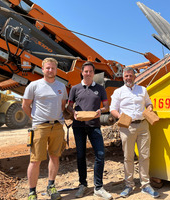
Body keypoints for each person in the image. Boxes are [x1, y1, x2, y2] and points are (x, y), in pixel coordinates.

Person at [110, 67, 160, 198]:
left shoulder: (142, 90)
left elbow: (149, 104)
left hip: (143, 126)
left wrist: (149, 109)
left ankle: (145, 184)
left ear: (135, 77)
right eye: (126, 76)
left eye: (130, 76)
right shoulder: (118, 92)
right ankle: (129, 185)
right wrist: (120, 117)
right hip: (127, 127)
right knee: (128, 157)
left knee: (145, 156)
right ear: (123, 77)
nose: (128, 78)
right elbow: (112, 109)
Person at [22, 57, 67, 200]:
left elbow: (62, 105)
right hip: (40, 127)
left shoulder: (61, 86)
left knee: (54, 157)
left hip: (57, 126)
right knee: (35, 160)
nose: (50, 70)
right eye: (47, 68)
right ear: (42, 69)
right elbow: (25, 105)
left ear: (56, 70)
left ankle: (51, 186)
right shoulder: (34, 86)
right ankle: (32, 192)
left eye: (53, 68)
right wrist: (35, 119)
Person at [67, 61, 112, 200]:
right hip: (78, 127)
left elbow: (106, 106)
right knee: (81, 155)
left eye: (90, 72)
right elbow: (69, 106)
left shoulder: (100, 88)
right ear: (82, 72)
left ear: (93, 73)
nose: (88, 74)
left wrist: (101, 110)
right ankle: (83, 184)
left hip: (94, 126)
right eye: (85, 71)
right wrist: (73, 112)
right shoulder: (75, 88)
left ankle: (98, 187)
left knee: (100, 154)